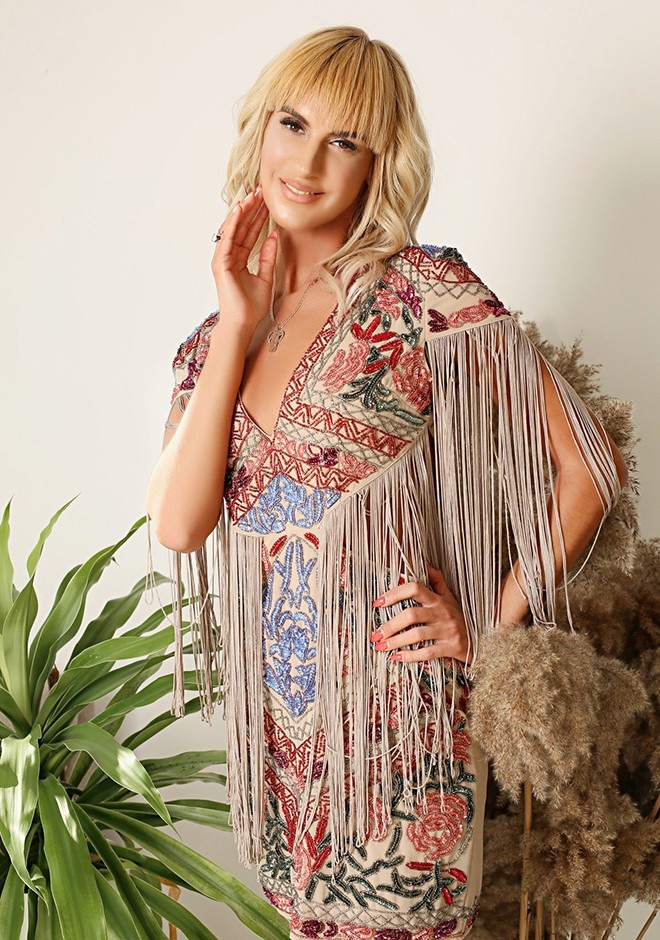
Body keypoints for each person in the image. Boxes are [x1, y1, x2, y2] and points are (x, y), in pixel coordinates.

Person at [146, 26, 627, 940]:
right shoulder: (209, 344)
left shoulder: (423, 295)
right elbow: (178, 526)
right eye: (293, 124)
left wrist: (488, 619)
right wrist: (237, 317)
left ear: (378, 164)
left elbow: (589, 468)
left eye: (345, 141)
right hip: (281, 754)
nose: (307, 163)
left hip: (399, 747)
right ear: (261, 127)